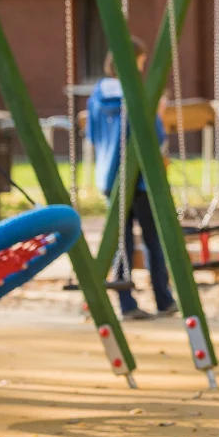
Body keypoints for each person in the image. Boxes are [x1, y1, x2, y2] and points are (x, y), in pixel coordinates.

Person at [86, 36, 177, 321]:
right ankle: (163, 299)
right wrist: (158, 114)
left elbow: (92, 134)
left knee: (120, 241)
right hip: (139, 178)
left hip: (109, 176)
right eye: (140, 63)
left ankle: (126, 303)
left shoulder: (96, 97)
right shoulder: (137, 95)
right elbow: (154, 134)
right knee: (153, 239)